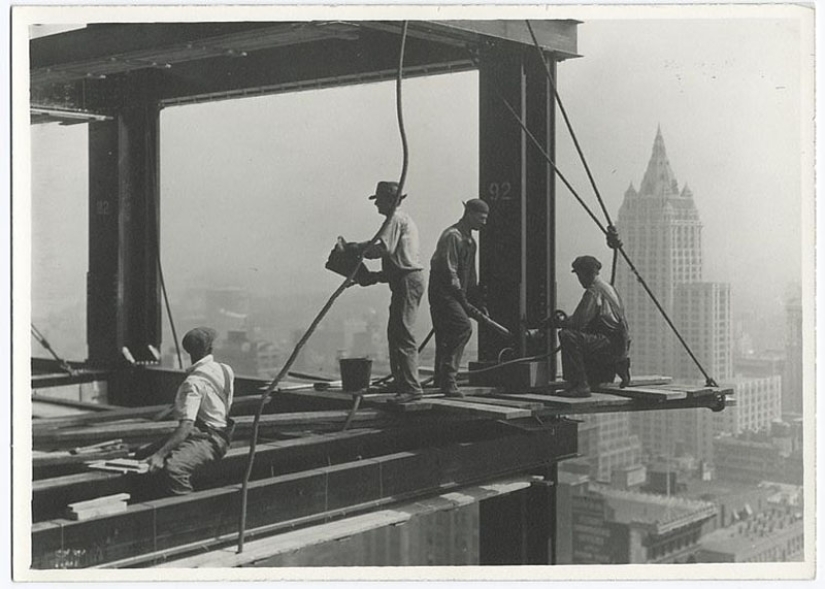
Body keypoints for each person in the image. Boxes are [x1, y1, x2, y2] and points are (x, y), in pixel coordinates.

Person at [347, 181, 426, 402]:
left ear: (390, 200)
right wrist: (372, 277)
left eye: (379, 200)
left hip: (407, 281)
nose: (376, 205)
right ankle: (401, 381)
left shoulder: (394, 219)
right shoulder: (400, 220)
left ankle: (411, 388)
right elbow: (397, 260)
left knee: (403, 333)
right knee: (395, 332)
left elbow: (383, 249)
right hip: (404, 280)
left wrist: (358, 249)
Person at [143, 327, 235, 495]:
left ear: (189, 352)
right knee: (144, 454)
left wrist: (160, 455)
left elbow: (186, 426)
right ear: (210, 349)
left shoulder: (193, 382)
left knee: (174, 469)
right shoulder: (226, 370)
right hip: (223, 433)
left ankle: (189, 511)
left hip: (210, 441)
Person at [428, 198, 489, 398]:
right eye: (481, 218)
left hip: (455, 294)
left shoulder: (471, 242)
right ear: (469, 213)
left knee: (445, 336)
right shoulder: (452, 236)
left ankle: (442, 380)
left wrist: (478, 303)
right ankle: (448, 380)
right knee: (463, 327)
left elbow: (471, 277)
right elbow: (449, 271)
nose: (484, 222)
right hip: (443, 293)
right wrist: (463, 301)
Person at [553, 256, 631, 398]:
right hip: (620, 345)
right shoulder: (608, 288)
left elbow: (578, 322)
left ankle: (580, 385)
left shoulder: (594, 291)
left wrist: (559, 322)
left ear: (584, 273)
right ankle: (617, 367)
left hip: (609, 345)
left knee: (567, 335)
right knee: (585, 335)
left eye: (579, 275)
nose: (579, 279)